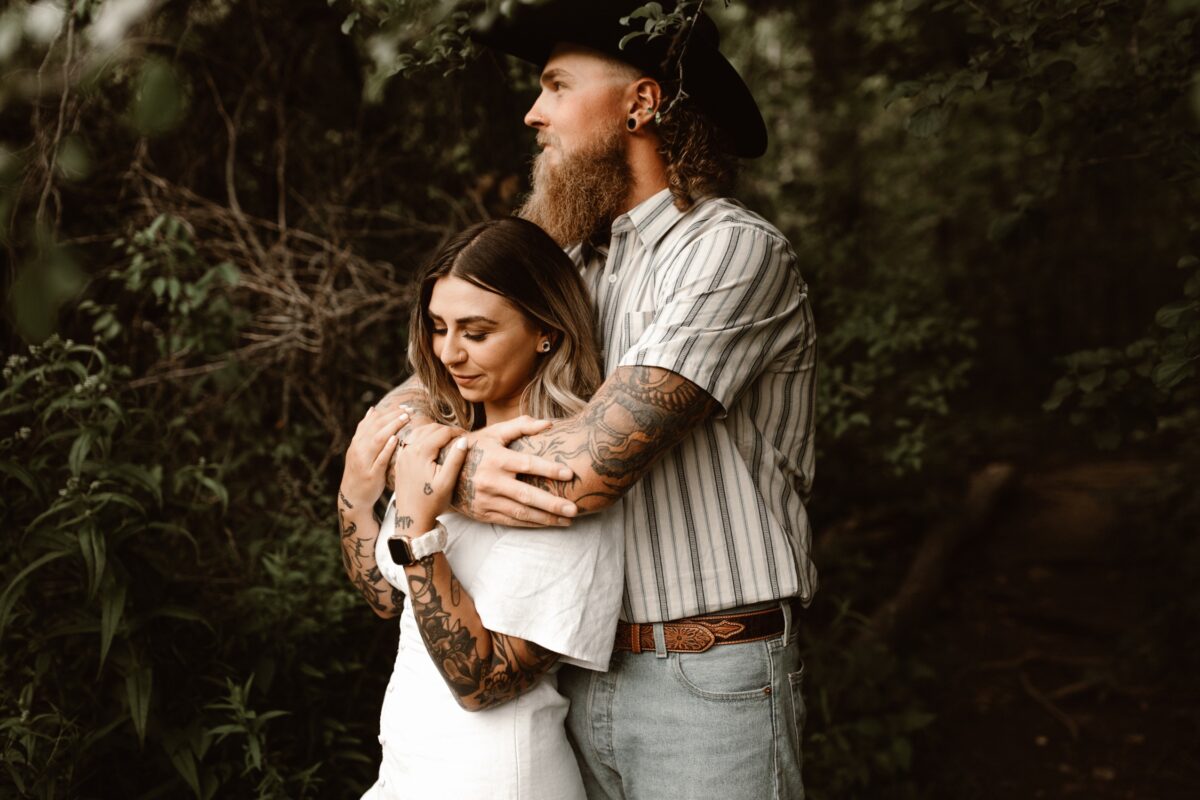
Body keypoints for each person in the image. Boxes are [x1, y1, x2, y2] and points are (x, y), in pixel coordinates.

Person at [380, 2, 818, 797]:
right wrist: (412, 444)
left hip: (707, 677)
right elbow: (410, 403)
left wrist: (439, 469)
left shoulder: (730, 249)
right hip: (568, 674)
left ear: (641, 103)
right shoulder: (566, 261)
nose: (532, 111)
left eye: (554, 85)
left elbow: (586, 468)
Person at [337, 217, 624, 799]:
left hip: (492, 779)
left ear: (545, 329)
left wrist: (418, 530)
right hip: (408, 769)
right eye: (439, 327)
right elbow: (386, 598)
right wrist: (355, 492)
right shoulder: (443, 446)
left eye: (476, 331)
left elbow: (484, 681)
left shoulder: (554, 479)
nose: (447, 353)